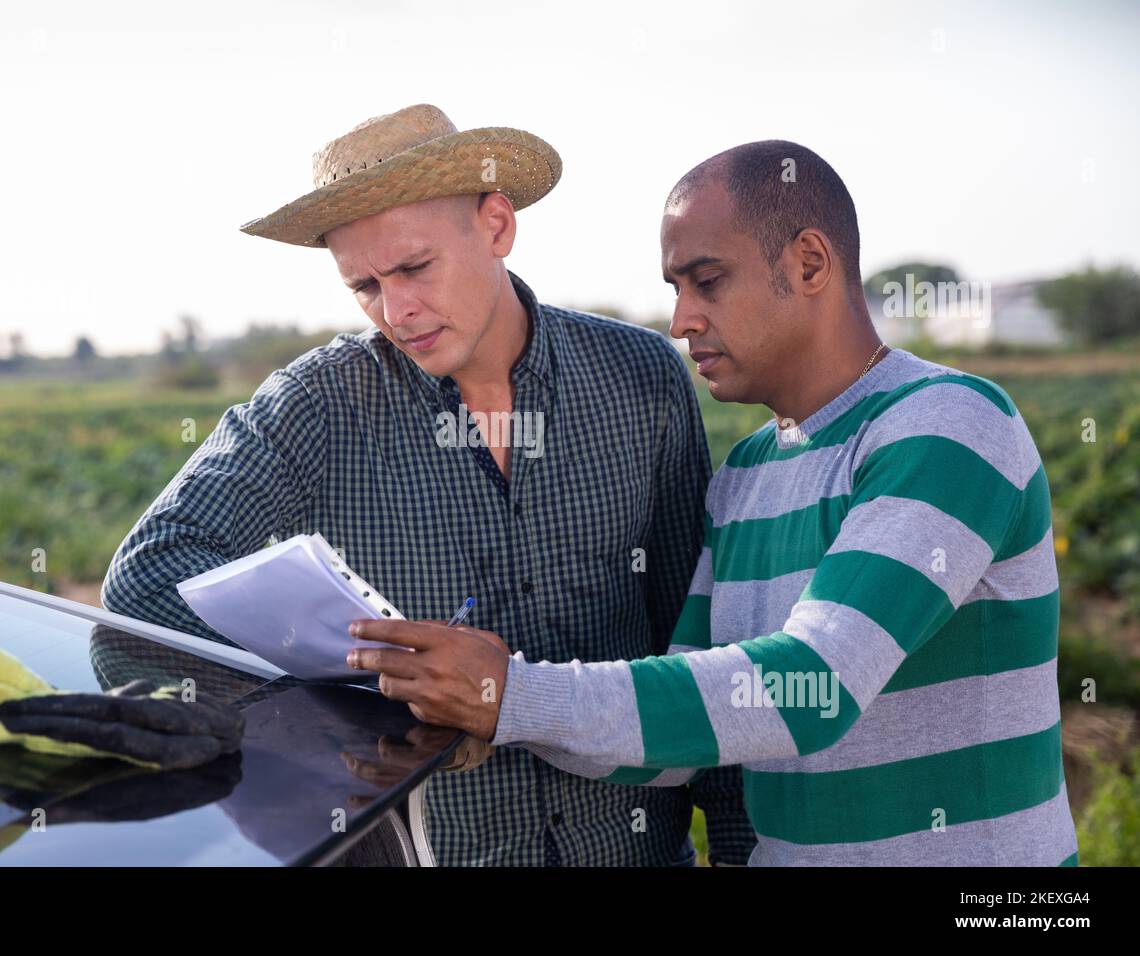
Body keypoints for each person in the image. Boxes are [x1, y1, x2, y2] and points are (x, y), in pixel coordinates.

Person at [348, 140, 1079, 866]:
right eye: (675, 289)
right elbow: (677, 753)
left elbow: (812, 688)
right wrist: (491, 714)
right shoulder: (747, 474)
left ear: (809, 264)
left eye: (707, 282)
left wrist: (513, 694)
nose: (681, 321)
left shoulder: (947, 424)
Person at [102, 104, 754, 866]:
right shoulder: (314, 405)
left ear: (496, 225)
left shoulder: (642, 378)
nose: (397, 310)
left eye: (414, 268)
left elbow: (702, 645)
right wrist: (381, 700)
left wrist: (740, 852)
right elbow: (145, 588)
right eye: (365, 287)